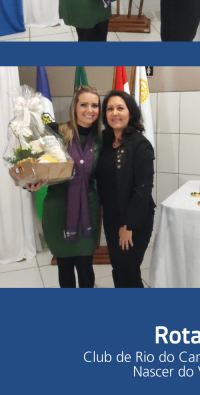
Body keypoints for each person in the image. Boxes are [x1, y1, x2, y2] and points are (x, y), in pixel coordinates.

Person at [25, 86, 102, 288]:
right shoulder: (56, 133)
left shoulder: (101, 139)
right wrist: (30, 182)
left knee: (85, 266)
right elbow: (35, 165)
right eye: (84, 104)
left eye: (95, 105)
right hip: (58, 209)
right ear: (74, 107)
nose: (89, 110)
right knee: (64, 267)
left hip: (88, 210)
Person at [96, 91, 155, 288]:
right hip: (112, 218)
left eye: (120, 108)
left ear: (130, 112)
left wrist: (128, 226)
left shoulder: (141, 145)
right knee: (118, 268)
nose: (115, 113)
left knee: (129, 271)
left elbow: (143, 189)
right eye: (110, 109)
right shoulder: (105, 140)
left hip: (135, 220)